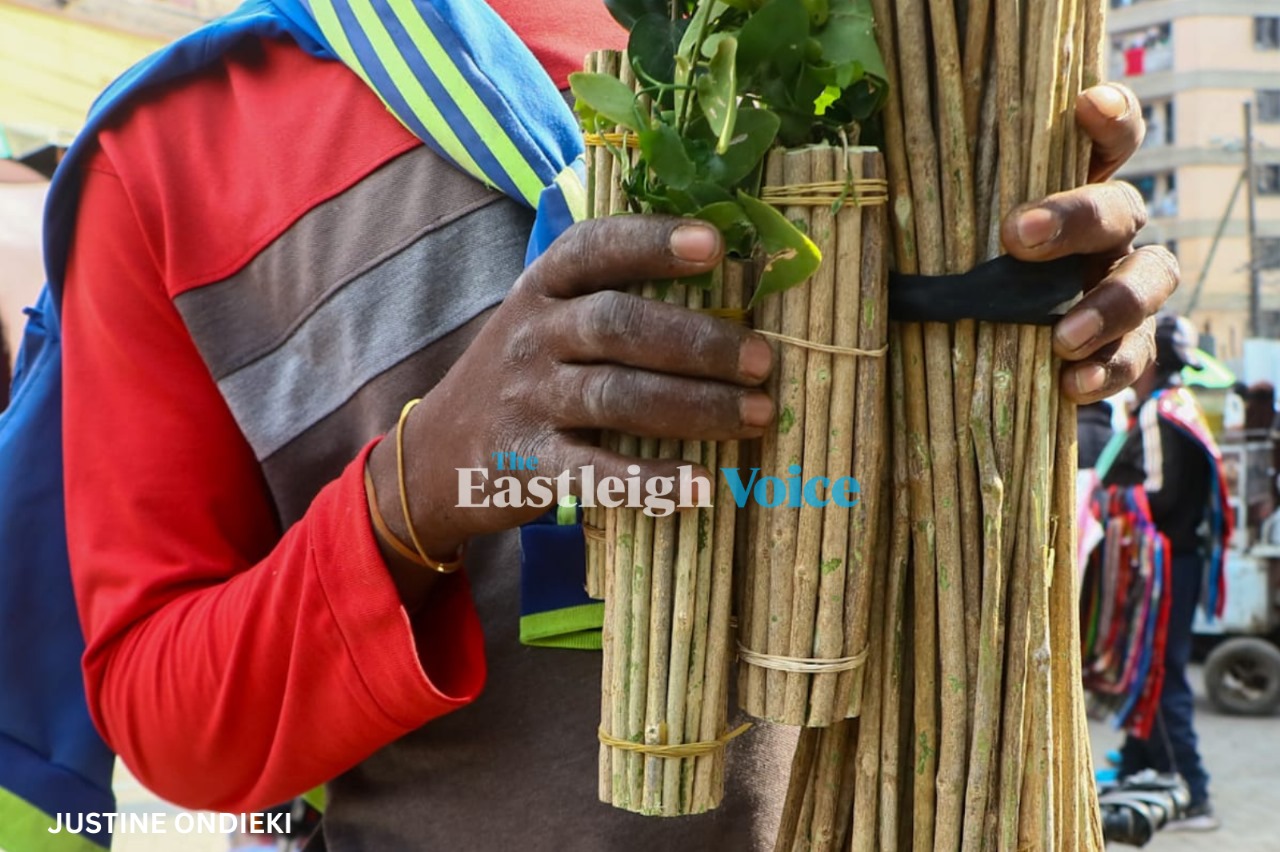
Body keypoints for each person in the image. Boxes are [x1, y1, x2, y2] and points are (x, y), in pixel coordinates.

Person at [52, 3, 1177, 849]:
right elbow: (169, 714)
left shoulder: (909, 47)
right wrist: (424, 483)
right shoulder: (177, 145)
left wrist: (1047, 314)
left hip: (967, 797)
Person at [1104, 314, 1232, 832]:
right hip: (1181, 560)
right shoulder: (1184, 406)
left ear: (1149, 358)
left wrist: (1103, 499)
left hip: (1166, 565)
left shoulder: (1159, 412)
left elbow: (1158, 494)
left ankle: (1193, 792)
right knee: (1150, 666)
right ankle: (1141, 768)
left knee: (1160, 671)